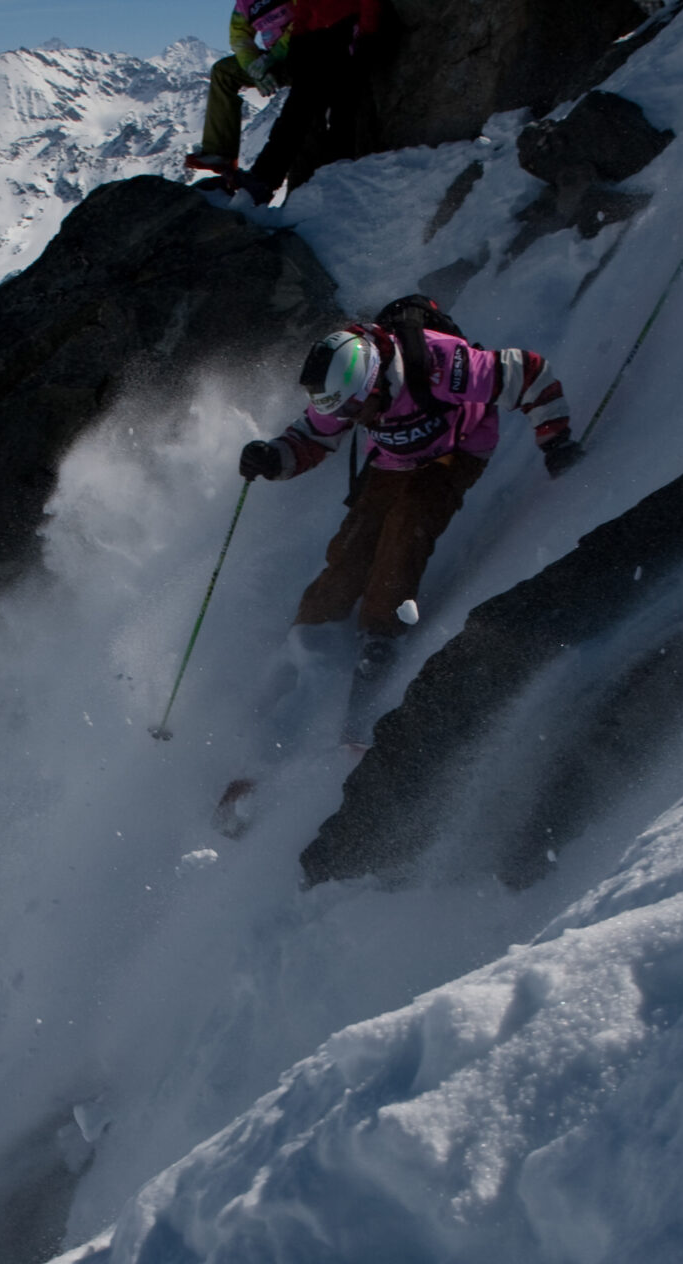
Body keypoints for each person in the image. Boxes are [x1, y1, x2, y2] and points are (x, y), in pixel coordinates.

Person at [237, 305, 583, 728]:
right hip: (392, 460)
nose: (346, 421)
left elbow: (529, 373)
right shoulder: (347, 393)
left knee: (407, 528)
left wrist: (556, 441)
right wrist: (273, 458)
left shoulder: (440, 365)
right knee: (350, 552)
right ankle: (305, 643)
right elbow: (312, 435)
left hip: (457, 452)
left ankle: (380, 636)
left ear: (374, 386)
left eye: (351, 412)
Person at [241, 0, 382, 203]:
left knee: (335, 110)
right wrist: (298, 43)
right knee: (303, 110)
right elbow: (304, 11)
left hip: (346, 32)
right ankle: (266, 178)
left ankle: (265, 179)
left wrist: (366, 33)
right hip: (320, 40)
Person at [186, 0, 295, 192]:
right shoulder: (245, 4)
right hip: (276, 61)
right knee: (224, 72)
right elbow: (239, 35)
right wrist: (254, 67)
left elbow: (306, 19)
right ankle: (220, 153)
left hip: (312, 51)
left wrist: (270, 59)